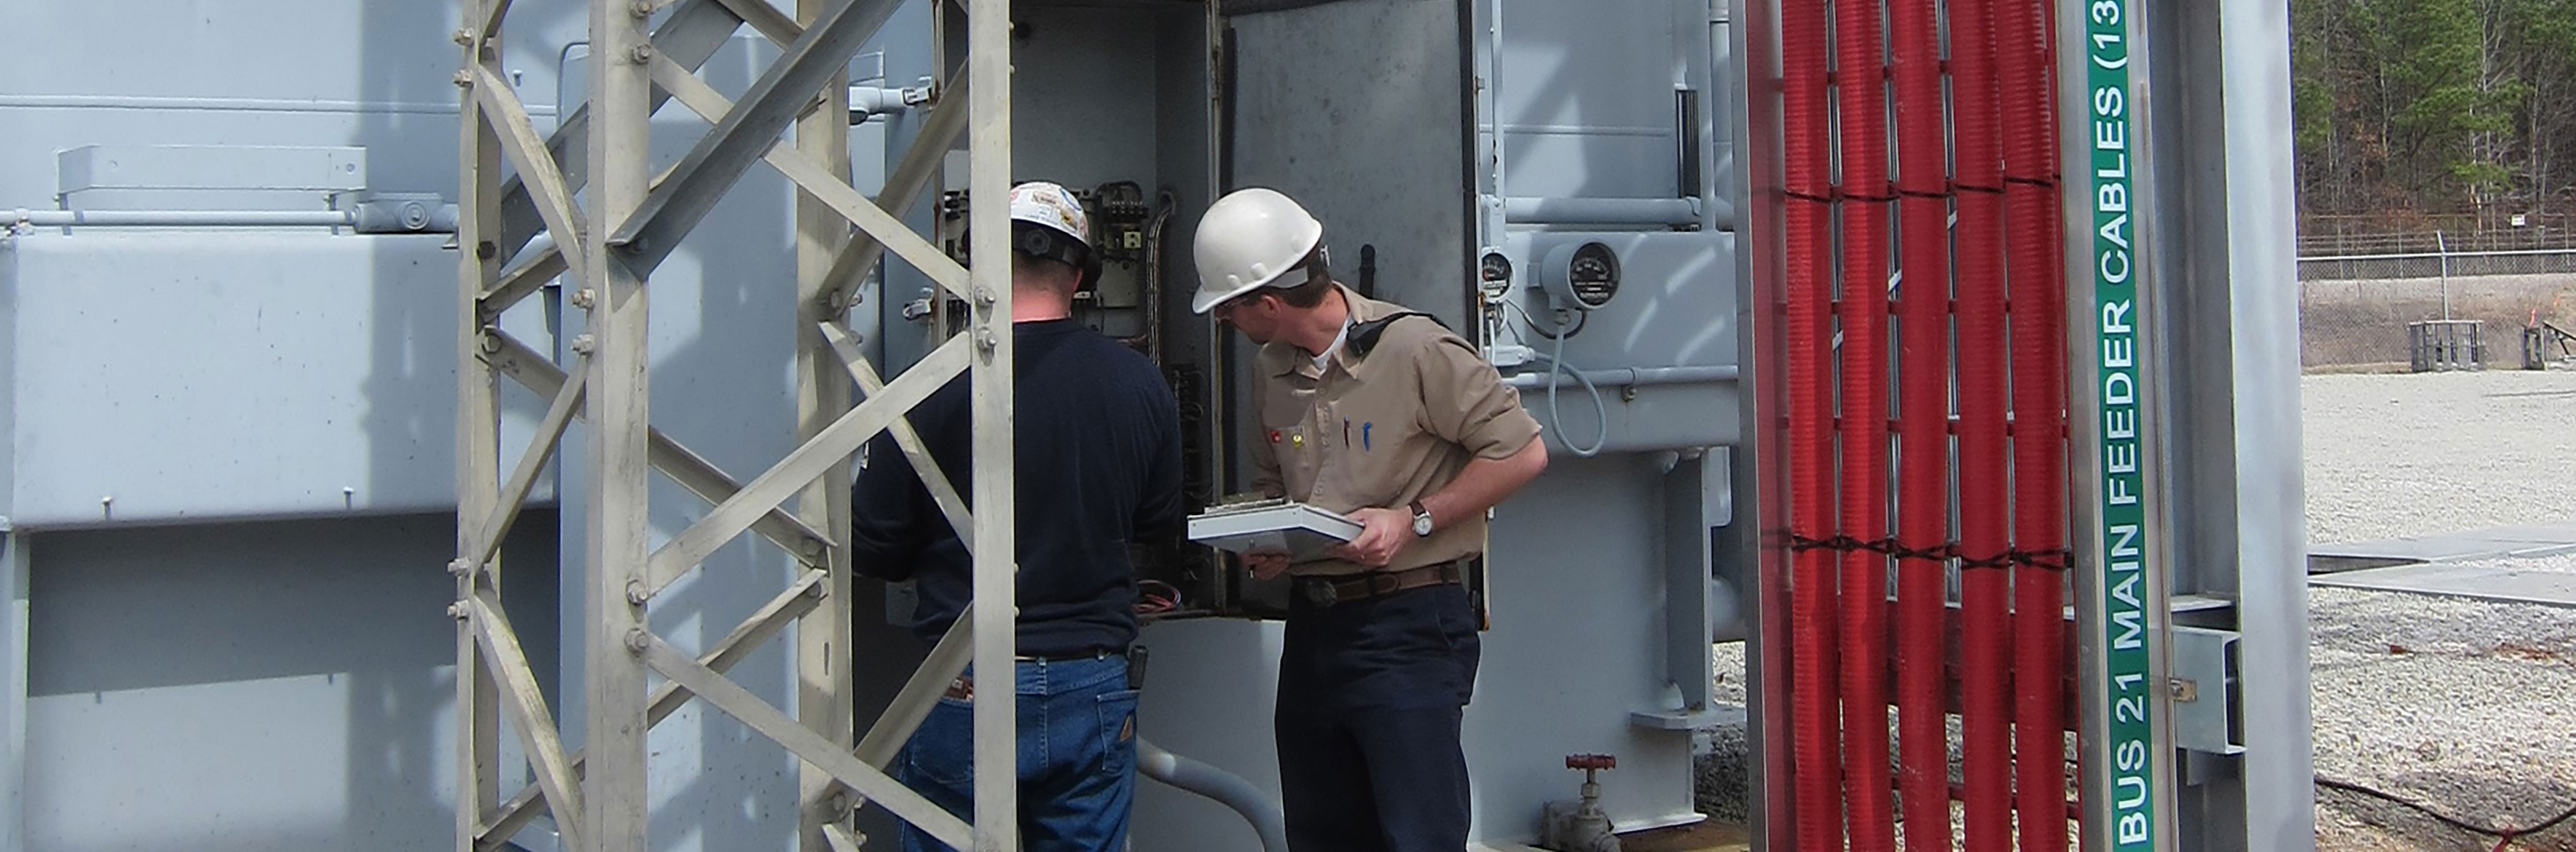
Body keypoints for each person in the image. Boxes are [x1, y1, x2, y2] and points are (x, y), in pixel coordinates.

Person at [1189, 187, 1550, 852]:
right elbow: (1276, 485)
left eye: (1228, 308)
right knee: (1323, 832)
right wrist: (1270, 543)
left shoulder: (1415, 349)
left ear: (1266, 304)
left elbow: (1523, 452)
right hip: (1315, 625)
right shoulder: (1272, 370)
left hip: (1408, 625)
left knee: (1418, 833)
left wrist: (1413, 519)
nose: (1225, 324)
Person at [850, 180, 1184, 852]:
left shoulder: (930, 385)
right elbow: (1158, 528)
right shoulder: (1139, 382)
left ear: (978, 266)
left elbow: (874, 549)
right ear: (1081, 276)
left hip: (966, 677)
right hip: (1091, 676)